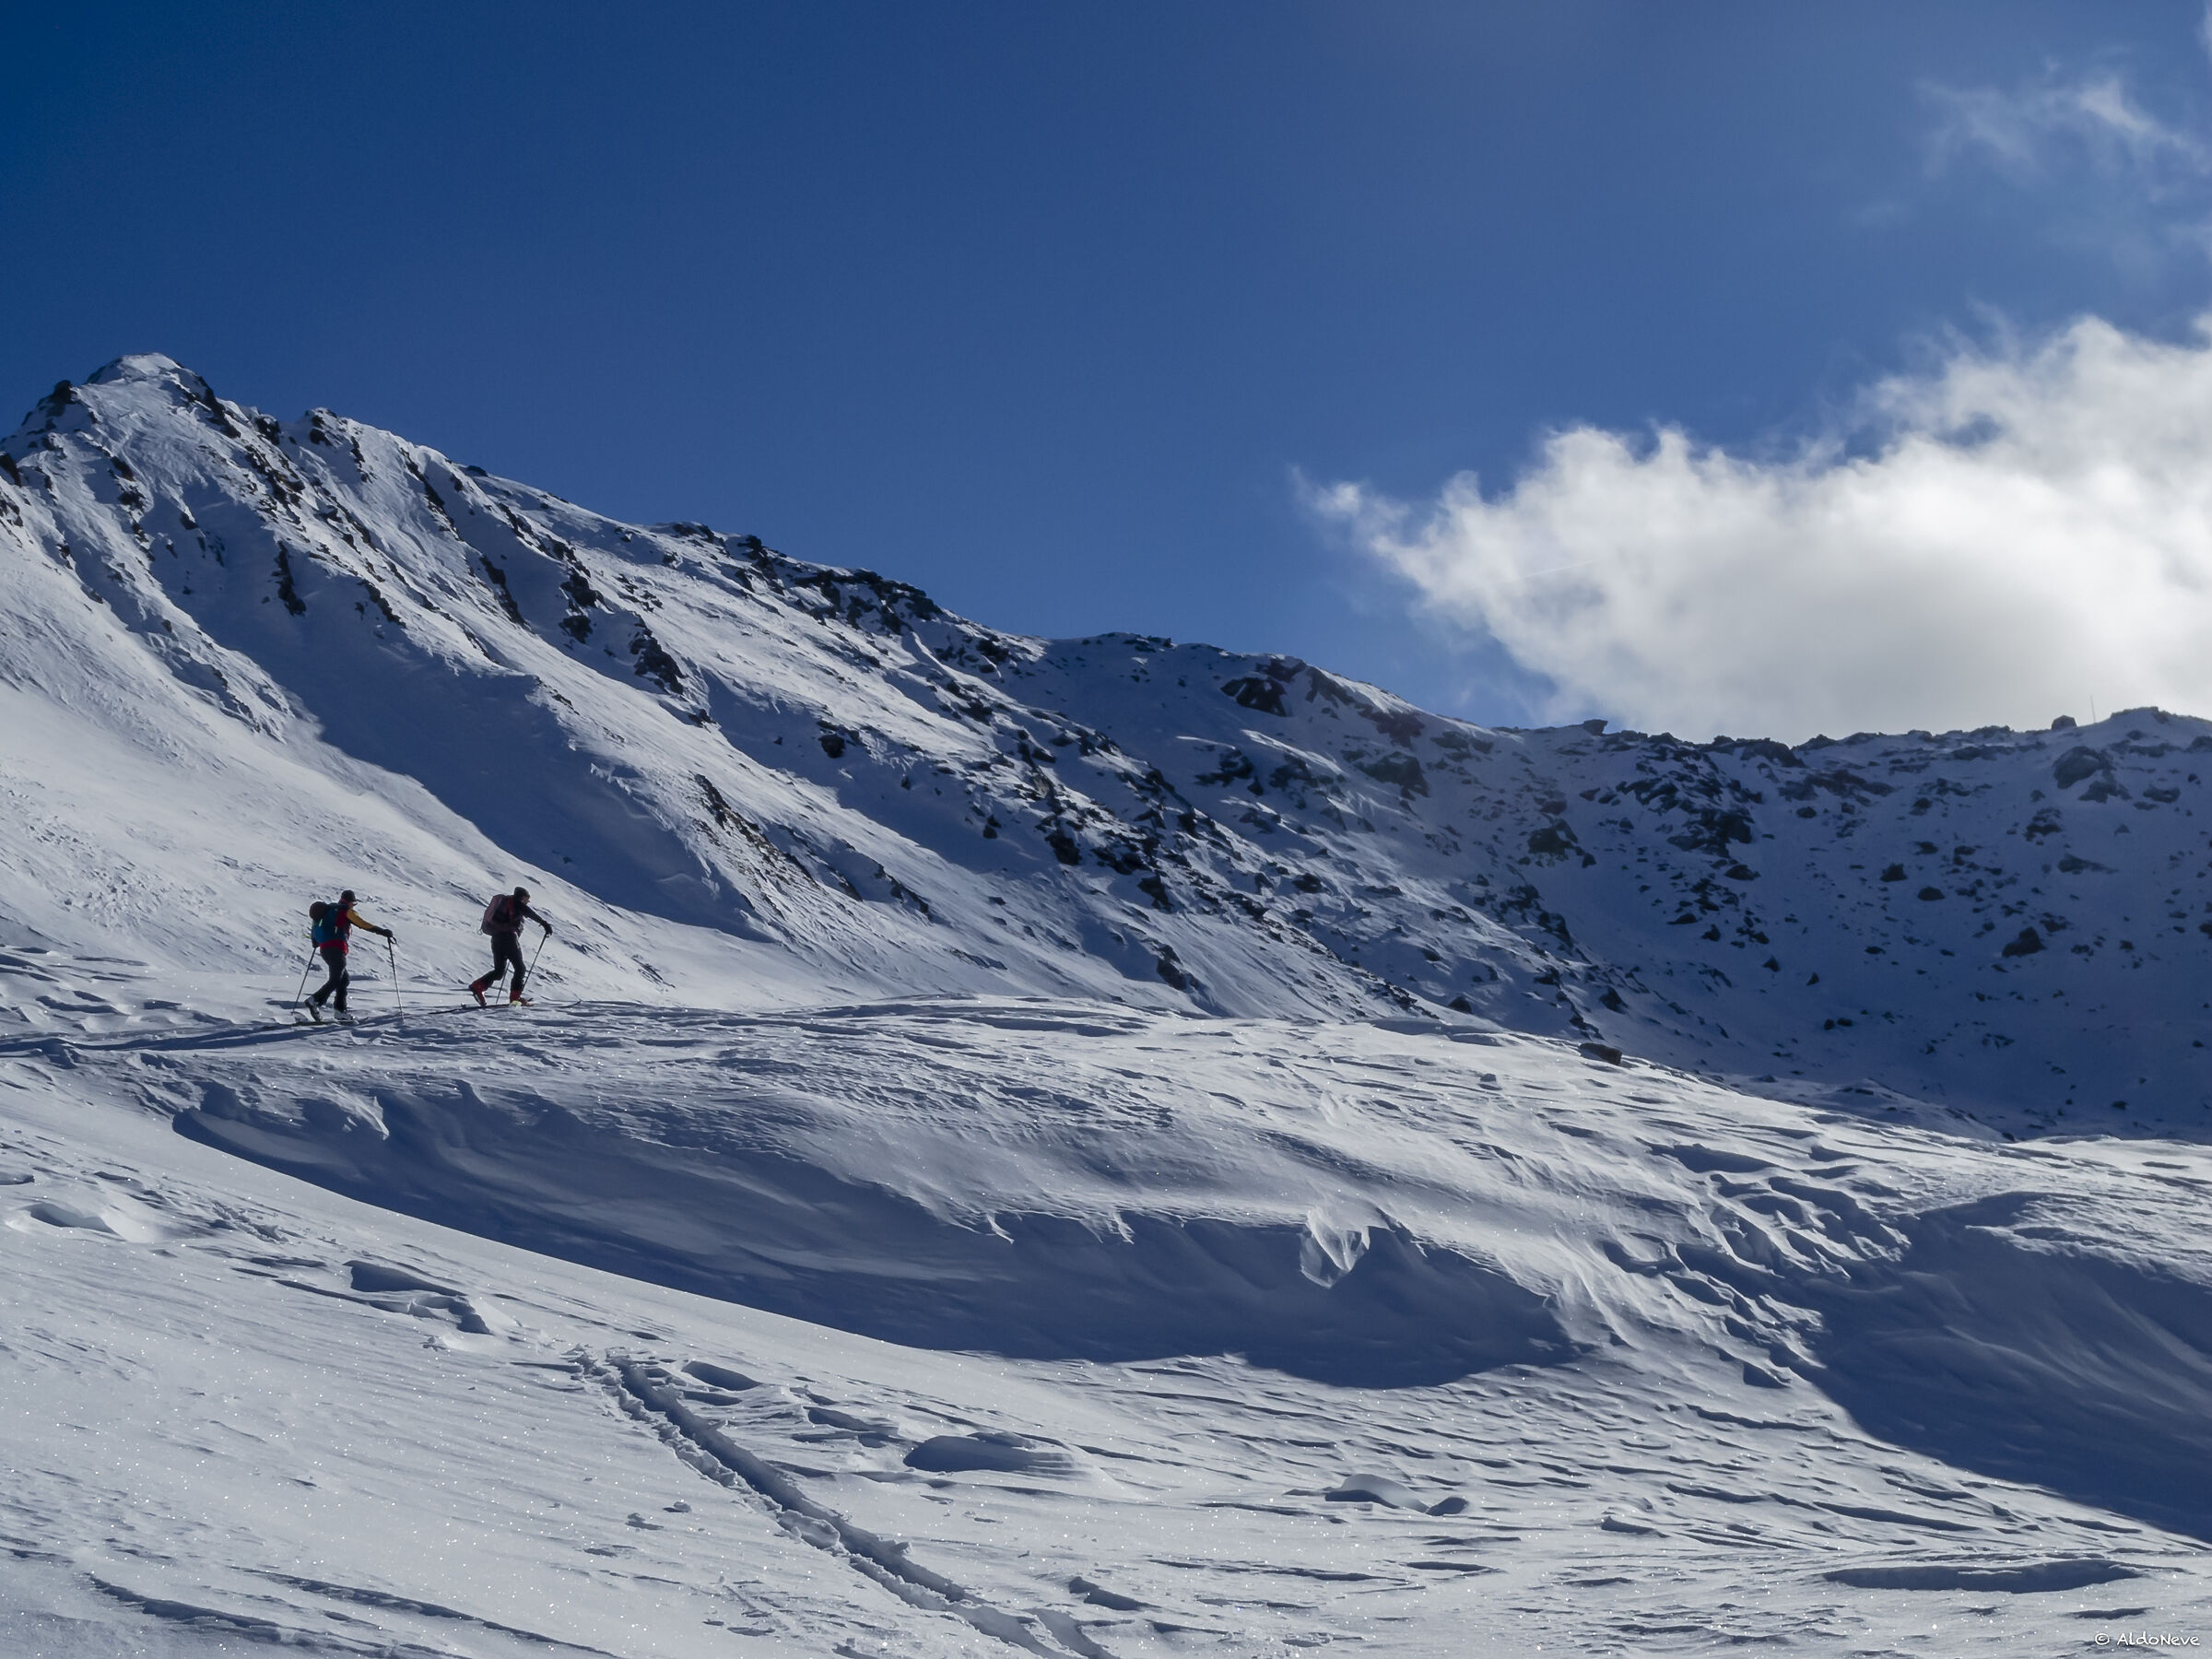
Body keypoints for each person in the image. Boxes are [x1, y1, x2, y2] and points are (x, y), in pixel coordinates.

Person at [306, 889, 394, 1024]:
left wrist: (315, 941)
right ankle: (315, 1001)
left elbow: (316, 931)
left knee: (343, 979)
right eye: (353, 903)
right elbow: (362, 924)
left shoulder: (329, 910)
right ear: (350, 902)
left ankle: (340, 1012)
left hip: (325, 949)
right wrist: (383, 932)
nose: (353, 906)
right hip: (336, 949)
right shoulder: (345, 911)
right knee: (336, 979)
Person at [472, 886, 552, 1006]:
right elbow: (529, 913)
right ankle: (515, 999)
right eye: (527, 899)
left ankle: (478, 986)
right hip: (509, 939)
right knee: (520, 969)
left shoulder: (506, 903)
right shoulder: (517, 903)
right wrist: (545, 924)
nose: (527, 902)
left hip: (496, 939)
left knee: (499, 972)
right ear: (523, 897)